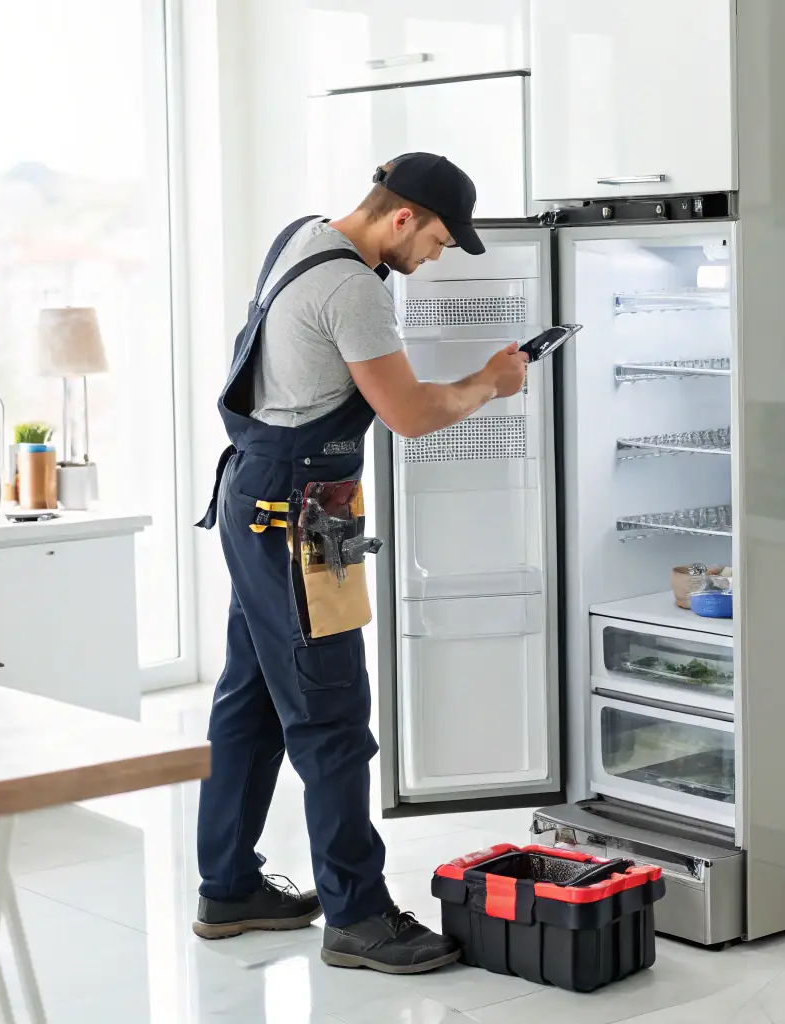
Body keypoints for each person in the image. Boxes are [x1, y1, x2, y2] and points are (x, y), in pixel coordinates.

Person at [191, 152, 527, 974]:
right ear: (402, 217)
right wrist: (490, 382)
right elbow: (409, 415)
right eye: (438, 240)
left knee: (252, 697)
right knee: (331, 713)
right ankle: (358, 916)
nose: (436, 258)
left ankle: (228, 888)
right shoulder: (356, 289)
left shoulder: (301, 237)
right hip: (295, 513)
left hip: (256, 494)